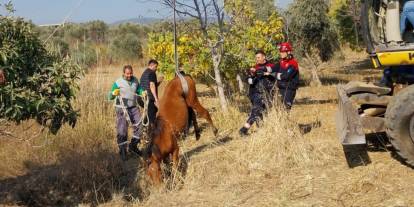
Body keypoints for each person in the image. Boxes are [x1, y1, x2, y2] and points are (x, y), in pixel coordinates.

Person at [109, 65, 144, 161]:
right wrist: (113, 93)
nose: (129, 75)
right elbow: (109, 96)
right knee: (122, 130)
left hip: (133, 107)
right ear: (123, 73)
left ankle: (133, 146)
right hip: (122, 108)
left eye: (131, 73)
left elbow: (139, 89)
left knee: (140, 125)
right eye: (127, 73)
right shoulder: (118, 82)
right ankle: (123, 151)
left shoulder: (135, 80)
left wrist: (142, 92)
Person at [239, 50, 277, 136]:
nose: (257, 59)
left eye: (259, 57)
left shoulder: (271, 66)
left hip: (268, 94)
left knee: (262, 112)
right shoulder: (254, 68)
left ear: (264, 57)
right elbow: (249, 81)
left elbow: (276, 75)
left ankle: (261, 131)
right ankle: (243, 129)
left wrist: (265, 73)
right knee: (256, 111)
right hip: (256, 94)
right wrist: (251, 77)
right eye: (256, 58)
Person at [275, 42, 299, 110]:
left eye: (283, 52)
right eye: (280, 52)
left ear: (288, 52)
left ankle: (285, 120)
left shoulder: (293, 63)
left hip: (289, 89)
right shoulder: (282, 62)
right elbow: (273, 68)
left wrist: (275, 75)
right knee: (279, 109)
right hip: (281, 88)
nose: (281, 53)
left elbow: (286, 76)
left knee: (286, 108)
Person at [140, 59, 163, 125]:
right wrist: (156, 99)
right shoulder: (152, 73)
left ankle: (145, 129)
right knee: (152, 119)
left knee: (149, 114)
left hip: (143, 98)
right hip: (149, 98)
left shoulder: (145, 72)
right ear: (151, 65)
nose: (156, 69)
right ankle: (151, 132)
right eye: (156, 67)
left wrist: (159, 82)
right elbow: (152, 86)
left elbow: (149, 85)